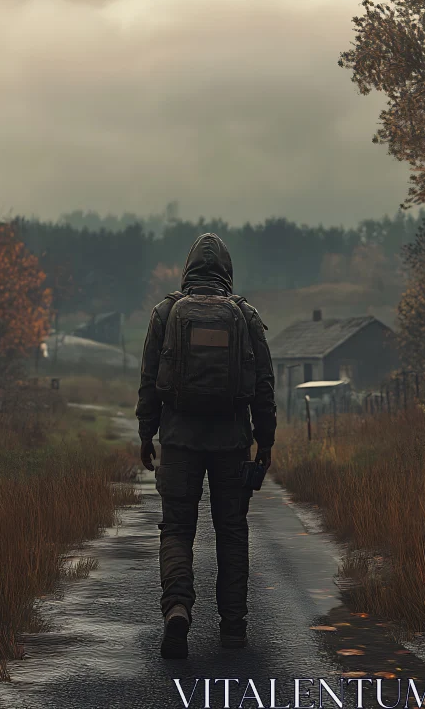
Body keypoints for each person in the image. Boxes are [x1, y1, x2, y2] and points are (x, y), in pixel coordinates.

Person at [136, 233, 276, 659]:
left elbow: (149, 381)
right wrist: (265, 441)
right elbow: (264, 386)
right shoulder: (245, 315)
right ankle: (233, 627)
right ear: (227, 273)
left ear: (188, 270)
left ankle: (178, 608)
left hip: (179, 441)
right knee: (231, 531)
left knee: (177, 529)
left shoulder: (166, 313)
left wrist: (146, 433)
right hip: (232, 442)